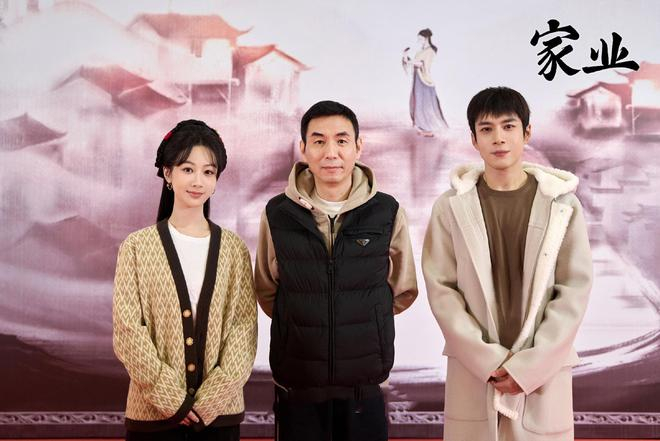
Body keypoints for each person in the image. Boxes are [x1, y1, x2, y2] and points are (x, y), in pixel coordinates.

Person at [422, 87, 592, 440]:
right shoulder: (450, 207)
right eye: (486, 129)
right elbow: (442, 290)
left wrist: (530, 366)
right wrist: (487, 360)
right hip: (476, 369)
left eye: (508, 126)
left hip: (542, 371)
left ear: (527, 132)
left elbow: (573, 290)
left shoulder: (562, 205)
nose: (498, 138)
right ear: (473, 139)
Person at [255, 100, 418, 441]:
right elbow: (268, 291)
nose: (331, 152)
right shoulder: (278, 214)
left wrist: (361, 316)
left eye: (342, 140)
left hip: (363, 388)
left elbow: (402, 289)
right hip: (298, 387)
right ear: (303, 148)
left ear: (358, 146)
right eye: (319, 141)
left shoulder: (386, 212)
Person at [112, 120, 257, 441]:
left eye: (208, 172)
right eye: (187, 169)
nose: (198, 181)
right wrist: (170, 398)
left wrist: (211, 401)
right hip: (152, 417)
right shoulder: (136, 247)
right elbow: (128, 330)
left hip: (219, 419)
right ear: (168, 173)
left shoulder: (234, 249)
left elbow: (244, 330)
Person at [403, 28, 448, 137]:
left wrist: (411, 61)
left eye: (420, 39)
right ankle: (422, 127)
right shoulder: (420, 51)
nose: (419, 41)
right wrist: (406, 57)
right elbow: (414, 63)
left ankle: (429, 128)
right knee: (418, 103)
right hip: (418, 80)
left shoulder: (430, 51)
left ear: (426, 38)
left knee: (426, 106)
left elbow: (423, 64)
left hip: (424, 80)